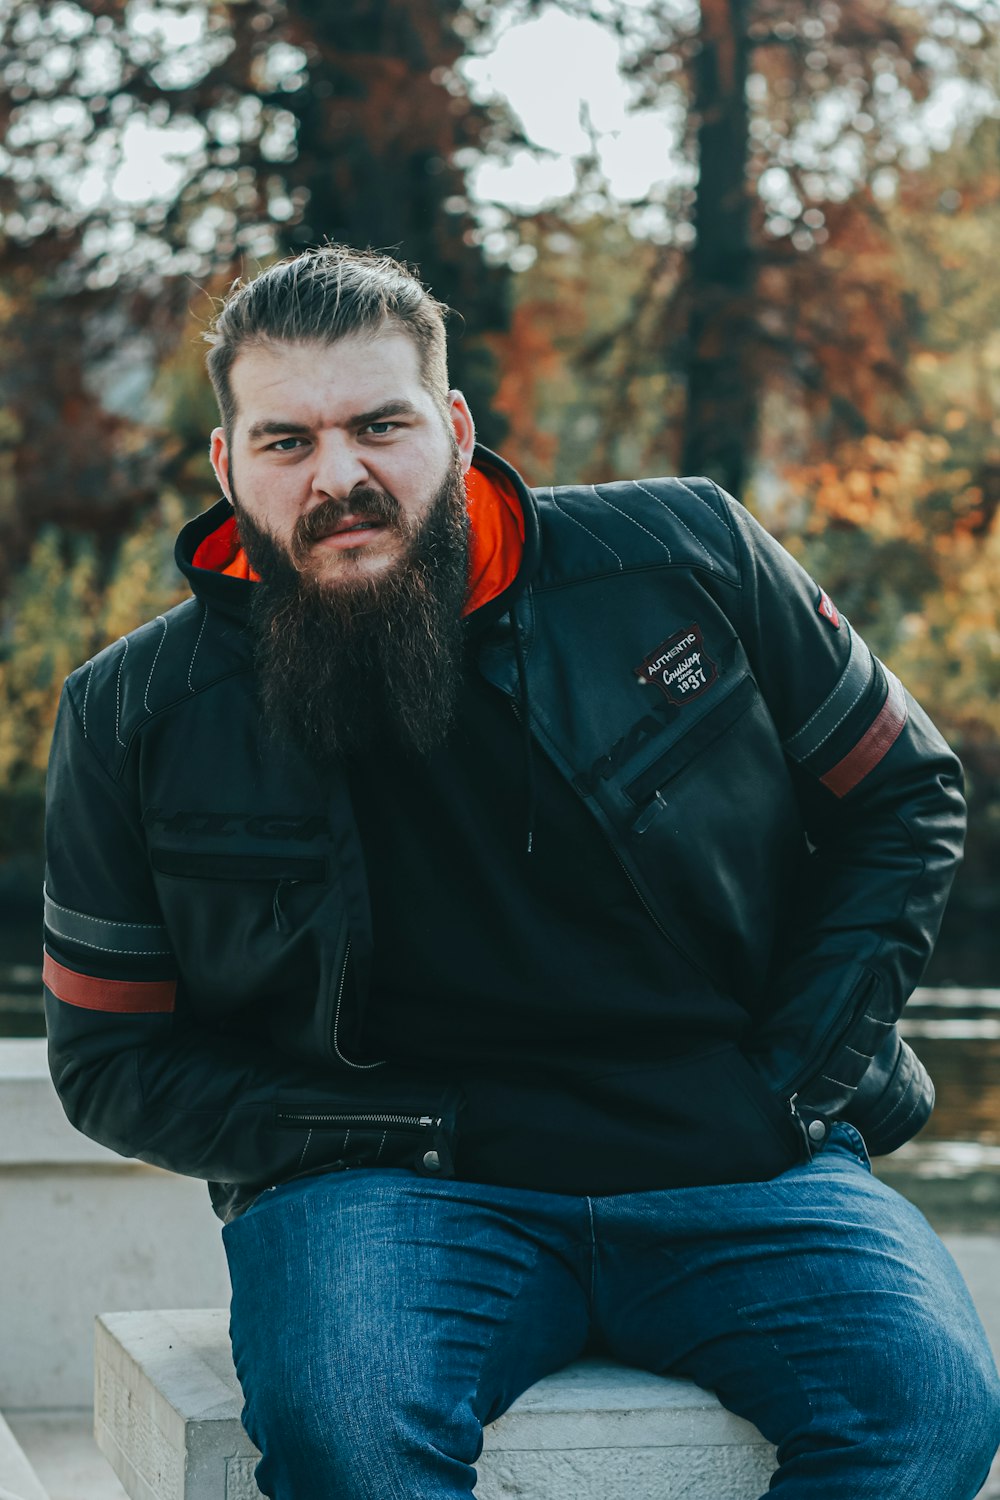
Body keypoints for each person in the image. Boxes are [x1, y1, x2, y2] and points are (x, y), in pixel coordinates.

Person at [43, 246, 999, 1498]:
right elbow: (113, 1065)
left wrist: (788, 1083)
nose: (339, 476)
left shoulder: (684, 554)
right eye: (286, 443)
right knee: (349, 1441)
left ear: (452, 426)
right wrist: (416, 1130)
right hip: (383, 1192)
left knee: (928, 1413)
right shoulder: (132, 715)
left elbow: (903, 795)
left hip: (745, 1157)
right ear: (227, 468)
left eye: (379, 426)